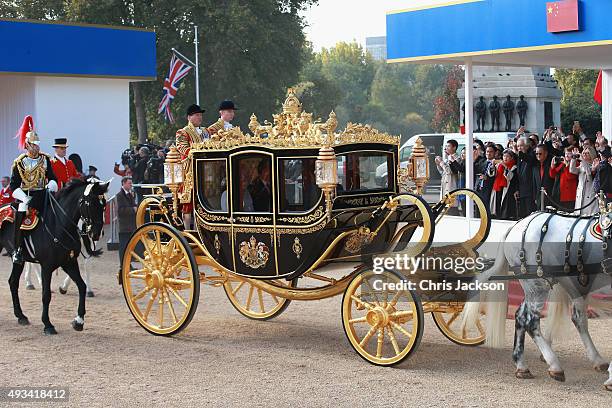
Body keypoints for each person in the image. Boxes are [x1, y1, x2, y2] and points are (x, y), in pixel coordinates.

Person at [9, 115, 58, 264]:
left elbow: (53, 177)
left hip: (43, 195)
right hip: (27, 197)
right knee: (20, 216)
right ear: (27, 144)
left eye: (37, 144)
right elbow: (13, 185)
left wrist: (52, 185)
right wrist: (23, 197)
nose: (36, 147)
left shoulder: (45, 159)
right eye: (33, 144)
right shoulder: (19, 162)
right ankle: (17, 249)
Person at [176, 104, 209, 228]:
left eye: (200, 115)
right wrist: (200, 150)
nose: (200, 117)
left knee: (202, 203)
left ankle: (200, 230)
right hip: (190, 171)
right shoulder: (182, 132)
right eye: (197, 115)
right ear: (189, 117)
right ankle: (188, 231)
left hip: (205, 170)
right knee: (188, 204)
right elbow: (183, 148)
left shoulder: (205, 131)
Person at [435, 140, 460, 215]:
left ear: (454, 147)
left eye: (448, 146)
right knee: (445, 209)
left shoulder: (457, 158)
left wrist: (441, 162)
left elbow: (450, 171)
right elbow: (443, 172)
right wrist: (438, 164)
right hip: (445, 186)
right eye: (446, 146)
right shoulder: (447, 158)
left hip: (452, 185)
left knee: (452, 210)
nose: (446, 148)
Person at [570, 146, 598, 215]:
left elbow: (589, 172)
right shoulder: (581, 165)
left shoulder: (595, 164)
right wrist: (574, 158)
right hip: (581, 195)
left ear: (592, 154)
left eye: (587, 153)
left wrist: (582, 160)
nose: (585, 154)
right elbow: (572, 170)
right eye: (584, 153)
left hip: (590, 196)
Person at [491, 149, 518, 220]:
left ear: (512, 157)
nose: (505, 158)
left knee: (505, 208)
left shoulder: (514, 167)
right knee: (497, 205)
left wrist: (505, 167)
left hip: (508, 189)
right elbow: (491, 175)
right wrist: (493, 165)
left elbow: (510, 177)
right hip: (498, 188)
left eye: (507, 156)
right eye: (504, 156)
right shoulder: (498, 165)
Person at [116, 176, 137, 266]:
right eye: (129, 183)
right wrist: (133, 210)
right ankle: (123, 265)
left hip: (130, 225)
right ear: (123, 183)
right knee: (123, 247)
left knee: (129, 247)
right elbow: (120, 211)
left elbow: (133, 205)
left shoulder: (129, 194)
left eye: (131, 183)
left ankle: (128, 265)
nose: (131, 185)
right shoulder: (119, 195)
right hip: (124, 226)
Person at [515, 136, 536, 218]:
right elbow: (518, 174)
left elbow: (530, 160)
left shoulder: (532, 154)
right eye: (518, 146)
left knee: (529, 215)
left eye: (521, 146)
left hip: (530, 190)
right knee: (522, 215)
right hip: (521, 190)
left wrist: (519, 153)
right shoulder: (519, 157)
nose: (519, 148)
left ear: (527, 146)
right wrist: (516, 189)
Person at [533, 144, 554, 210]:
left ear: (546, 153)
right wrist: (535, 197)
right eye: (536, 154)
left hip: (550, 197)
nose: (538, 156)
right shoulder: (535, 167)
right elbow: (534, 184)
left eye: (540, 154)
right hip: (539, 198)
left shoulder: (551, 164)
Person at [477, 145, 497, 210]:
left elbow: (496, 177)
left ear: (495, 153)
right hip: (480, 188)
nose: (488, 153)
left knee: (487, 209)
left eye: (491, 152)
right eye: (487, 151)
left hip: (490, 189)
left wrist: (487, 178)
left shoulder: (497, 163)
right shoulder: (482, 161)